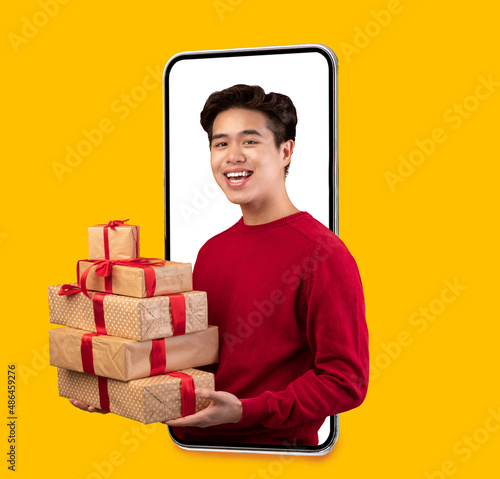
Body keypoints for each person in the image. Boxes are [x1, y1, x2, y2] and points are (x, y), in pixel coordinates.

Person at [71, 84, 369, 447]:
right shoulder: (212, 251)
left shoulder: (323, 255)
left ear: (286, 150)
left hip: (275, 457)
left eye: (250, 141)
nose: (232, 156)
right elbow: (192, 356)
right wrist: (118, 387)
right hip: (188, 450)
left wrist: (247, 410)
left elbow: (344, 380)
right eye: (221, 143)